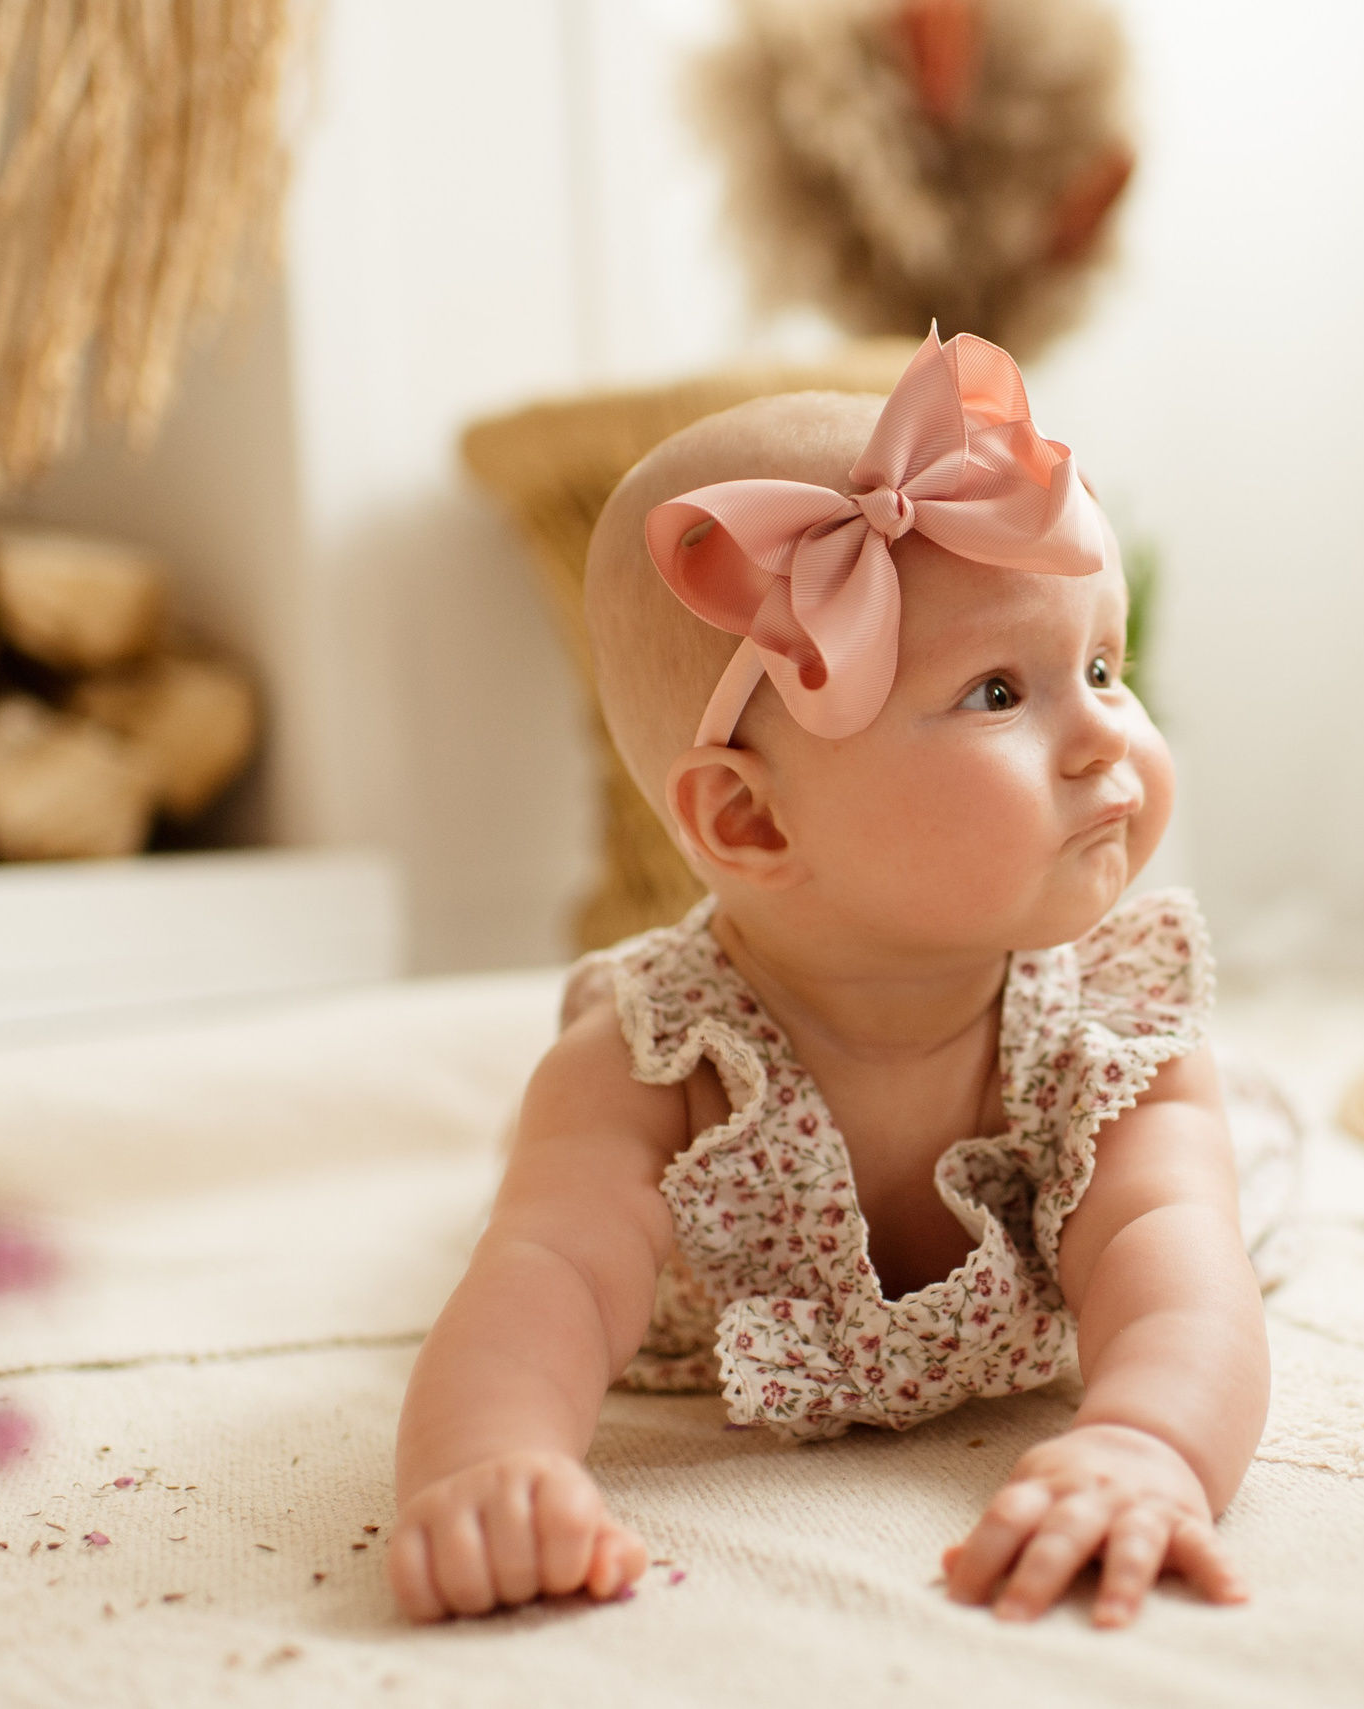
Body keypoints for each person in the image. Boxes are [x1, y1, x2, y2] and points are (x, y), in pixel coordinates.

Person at [387, 331, 1267, 1629]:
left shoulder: (1114, 1036)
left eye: (1102, 666)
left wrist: (1149, 1443)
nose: (1104, 737)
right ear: (750, 826)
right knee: (525, 1182)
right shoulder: (654, 1066)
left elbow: (1177, 1260)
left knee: (1242, 1163)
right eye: (997, 690)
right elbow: (549, 1273)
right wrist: (482, 1464)